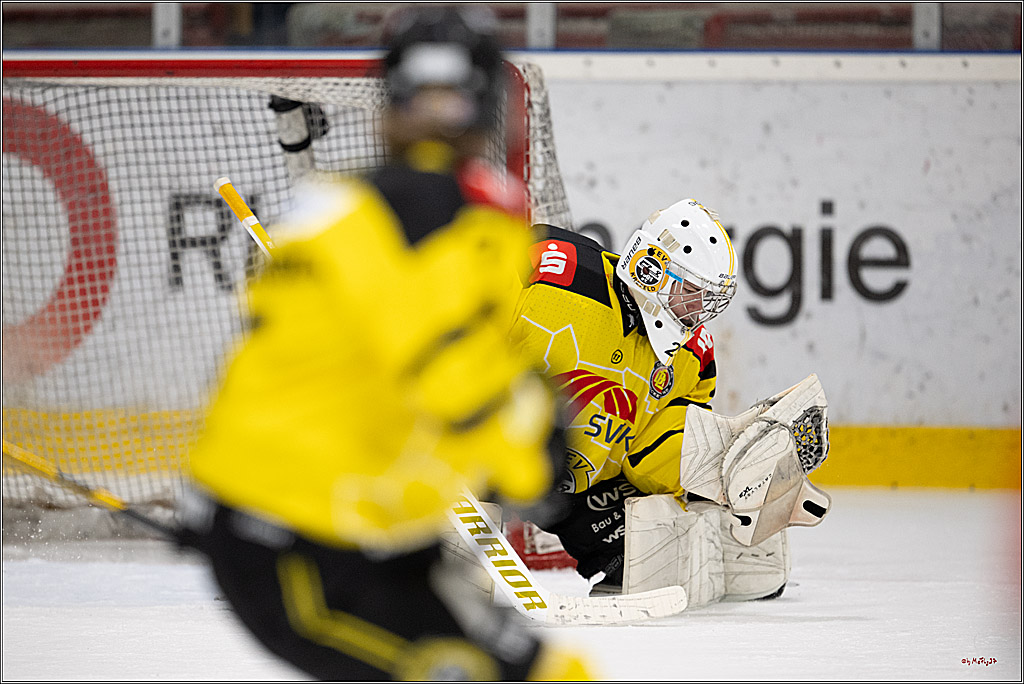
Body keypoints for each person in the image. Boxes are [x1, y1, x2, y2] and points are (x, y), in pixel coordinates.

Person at [180, 6, 589, 681]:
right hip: (303, 541)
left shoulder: (346, 206)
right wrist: (533, 459)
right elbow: (455, 380)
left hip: (343, 530)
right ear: (488, 106)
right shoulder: (452, 214)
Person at [509, 199, 832, 602]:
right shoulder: (555, 274)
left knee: (653, 560)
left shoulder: (693, 355)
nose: (700, 312)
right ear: (651, 270)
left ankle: (735, 538)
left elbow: (660, 445)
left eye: (707, 300)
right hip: (479, 445)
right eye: (693, 294)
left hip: (578, 487)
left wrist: (730, 472)